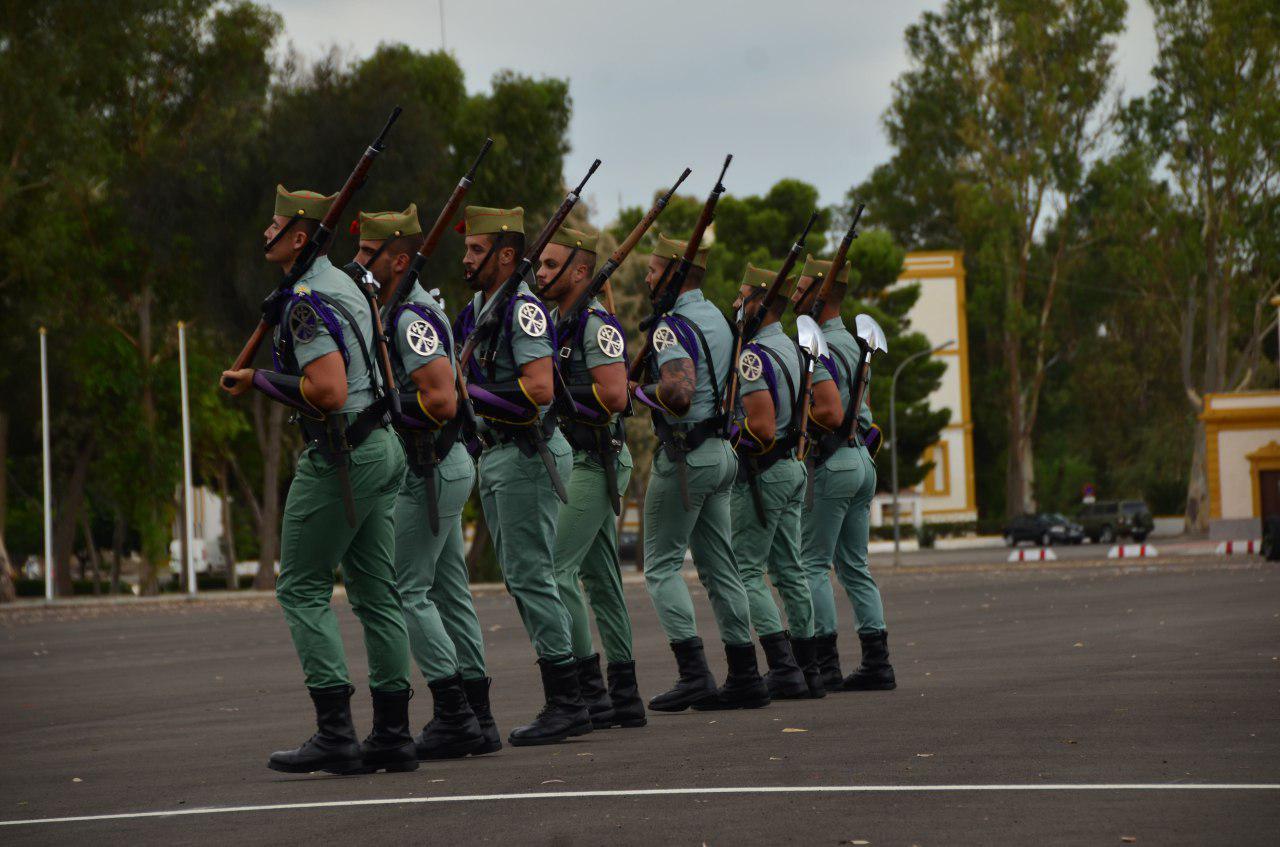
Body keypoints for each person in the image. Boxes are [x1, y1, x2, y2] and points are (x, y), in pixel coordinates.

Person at [221, 185, 415, 775]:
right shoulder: (347, 284)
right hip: (381, 445)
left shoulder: (305, 301)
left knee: (301, 589)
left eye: (276, 224)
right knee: (376, 595)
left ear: (299, 237)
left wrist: (258, 379)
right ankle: (393, 735)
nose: (266, 232)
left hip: (341, 455)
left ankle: (336, 734)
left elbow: (327, 391)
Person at [350, 204, 500, 759]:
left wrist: (383, 409)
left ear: (399, 261)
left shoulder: (409, 317)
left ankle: (455, 712)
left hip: (430, 465)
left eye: (370, 254)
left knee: (405, 590)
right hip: (441, 463)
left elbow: (440, 400)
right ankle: (478, 716)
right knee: (448, 593)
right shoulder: (395, 308)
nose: (358, 263)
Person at [453, 205, 589, 745]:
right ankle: (569, 696)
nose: (466, 258)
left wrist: (471, 393)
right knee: (520, 577)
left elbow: (539, 388)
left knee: (534, 577)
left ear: (506, 255)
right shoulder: (477, 309)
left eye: (476, 249)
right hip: (498, 453)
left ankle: (568, 701)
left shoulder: (522, 308)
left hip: (529, 453)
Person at [630, 232, 770, 712]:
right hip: (722, 453)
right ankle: (746, 675)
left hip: (686, 458)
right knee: (721, 569)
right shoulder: (717, 318)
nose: (647, 279)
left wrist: (636, 392)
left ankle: (693, 675)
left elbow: (679, 394)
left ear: (673, 275)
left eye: (653, 271)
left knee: (661, 567)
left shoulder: (671, 326)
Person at [536, 225, 646, 730]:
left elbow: (616, 396)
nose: (540, 273)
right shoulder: (559, 322)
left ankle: (587, 691)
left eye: (550, 264)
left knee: (555, 571)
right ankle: (623, 695)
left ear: (581, 271)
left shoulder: (594, 323)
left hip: (594, 458)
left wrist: (557, 393)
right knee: (601, 579)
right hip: (578, 457)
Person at [790, 255, 896, 692]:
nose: (793, 296)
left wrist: (796, 421)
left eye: (800, 289)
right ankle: (877, 662)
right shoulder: (853, 342)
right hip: (861, 460)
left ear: (819, 295)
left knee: (811, 564)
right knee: (855, 566)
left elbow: (830, 413)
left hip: (831, 462)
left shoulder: (818, 346)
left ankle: (825, 663)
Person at [728, 265, 823, 699]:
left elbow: (762, 428)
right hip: (792, 467)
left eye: (742, 297)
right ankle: (809, 669)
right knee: (789, 570)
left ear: (760, 304)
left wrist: (727, 431)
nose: (736, 304)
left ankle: (783, 667)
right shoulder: (792, 348)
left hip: (763, 472)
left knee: (747, 571)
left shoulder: (752, 356)